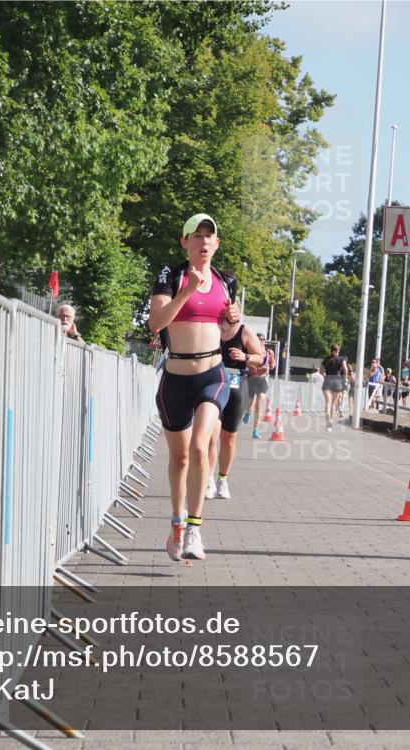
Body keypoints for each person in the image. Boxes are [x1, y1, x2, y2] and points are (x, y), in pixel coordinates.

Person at [148, 213, 240, 563]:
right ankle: (176, 524)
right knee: (181, 456)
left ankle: (195, 529)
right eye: (196, 235)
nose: (203, 242)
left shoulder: (225, 280)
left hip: (212, 375)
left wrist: (233, 321)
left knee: (202, 448)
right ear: (184, 242)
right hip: (175, 378)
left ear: (217, 244)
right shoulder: (171, 276)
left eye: (209, 236)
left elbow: (228, 332)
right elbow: (157, 322)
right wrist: (187, 290)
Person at [206, 320, 265, 499]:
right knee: (211, 435)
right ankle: (208, 479)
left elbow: (260, 357)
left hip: (236, 385)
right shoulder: (210, 327)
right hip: (212, 383)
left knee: (229, 437)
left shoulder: (244, 331)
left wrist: (245, 357)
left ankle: (222, 480)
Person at [244, 332, 272, 439]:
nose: (261, 341)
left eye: (263, 339)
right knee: (250, 404)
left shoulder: (269, 353)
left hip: (262, 381)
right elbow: (248, 365)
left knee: (259, 404)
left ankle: (255, 430)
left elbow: (272, 364)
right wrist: (257, 370)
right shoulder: (251, 352)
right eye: (259, 339)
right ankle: (248, 413)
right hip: (252, 380)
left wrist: (268, 368)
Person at [319, 344, 348, 431]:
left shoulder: (326, 359)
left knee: (328, 403)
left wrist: (324, 375)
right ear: (335, 351)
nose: (338, 353)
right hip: (337, 381)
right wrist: (345, 379)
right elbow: (345, 369)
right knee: (333, 404)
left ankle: (328, 419)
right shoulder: (341, 359)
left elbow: (321, 371)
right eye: (338, 351)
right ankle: (330, 423)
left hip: (328, 380)